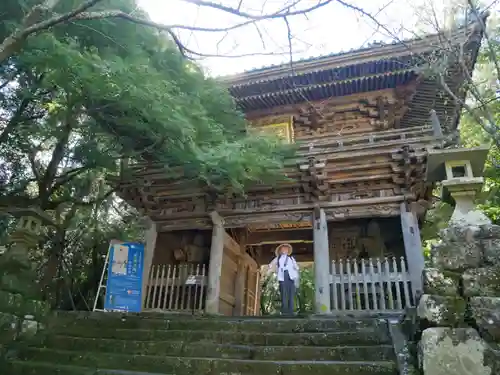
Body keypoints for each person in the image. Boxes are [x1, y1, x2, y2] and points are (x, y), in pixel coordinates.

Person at [268, 243, 299, 315]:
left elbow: (296, 267)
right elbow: (271, 265)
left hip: (291, 277)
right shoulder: (278, 258)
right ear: (280, 250)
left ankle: (291, 310)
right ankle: (284, 310)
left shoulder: (291, 258)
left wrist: (296, 277)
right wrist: (272, 270)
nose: (285, 250)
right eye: (283, 248)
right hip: (282, 276)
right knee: (284, 293)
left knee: (291, 293)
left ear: (288, 250)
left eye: (286, 248)